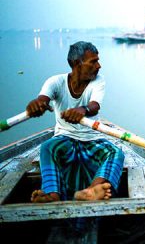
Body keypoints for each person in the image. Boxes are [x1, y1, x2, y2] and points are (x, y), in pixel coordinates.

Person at [26, 41, 125, 203]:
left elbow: (94, 106)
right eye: (93, 61)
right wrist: (37, 105)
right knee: (47, 147)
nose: (99, 66)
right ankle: (52, 194)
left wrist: (83, 110)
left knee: (116, 153)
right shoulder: (55, 81)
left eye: (98, 60)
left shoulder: (98, 80)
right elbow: (43, 99)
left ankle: (91, 190)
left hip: (91, 140)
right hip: (65, 139)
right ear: (76, 63)